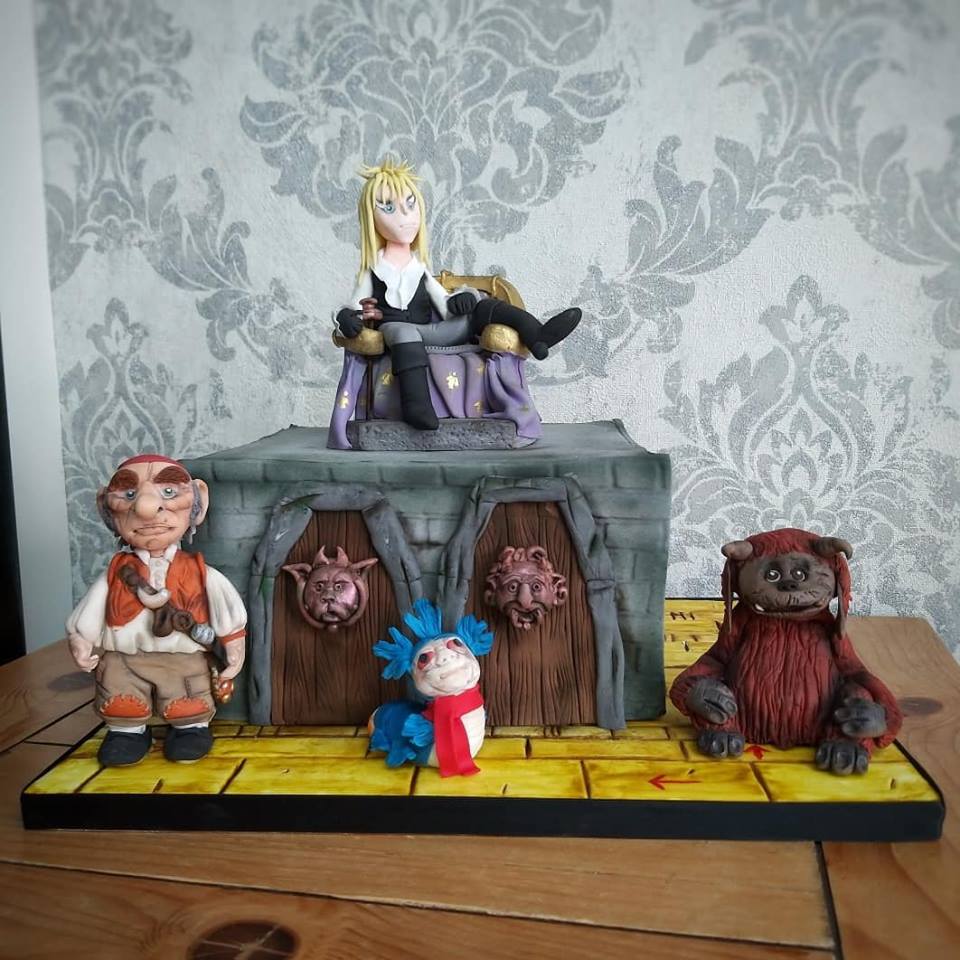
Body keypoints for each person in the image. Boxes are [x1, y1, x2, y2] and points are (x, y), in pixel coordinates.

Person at [334, 158, 581, 430]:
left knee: (480, 307)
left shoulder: (419, 268)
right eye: (389, 208)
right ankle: (417, 405)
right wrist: (346, 317)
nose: (405, 217)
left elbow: (444, 302)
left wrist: (460, 300)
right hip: (395, 332)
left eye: (410, 205)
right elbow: (353, 306)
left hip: (432, 332)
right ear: (371, 218)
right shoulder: (373, 270)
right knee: (402, 331)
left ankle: (537, 334)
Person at [66, 454, 247, 766]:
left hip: (183, 660)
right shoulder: (116, 573)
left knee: (187, 701)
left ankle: (190, 729)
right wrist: (81, 639)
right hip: (124, 659)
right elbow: (91, 610)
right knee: (122, 700)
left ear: (198, 502)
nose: (146, 509)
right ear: (106, 507)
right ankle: (127, 733)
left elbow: (226, 611)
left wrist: (233, 648)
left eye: (169, 492)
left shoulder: (200, 572)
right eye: (129, 494)